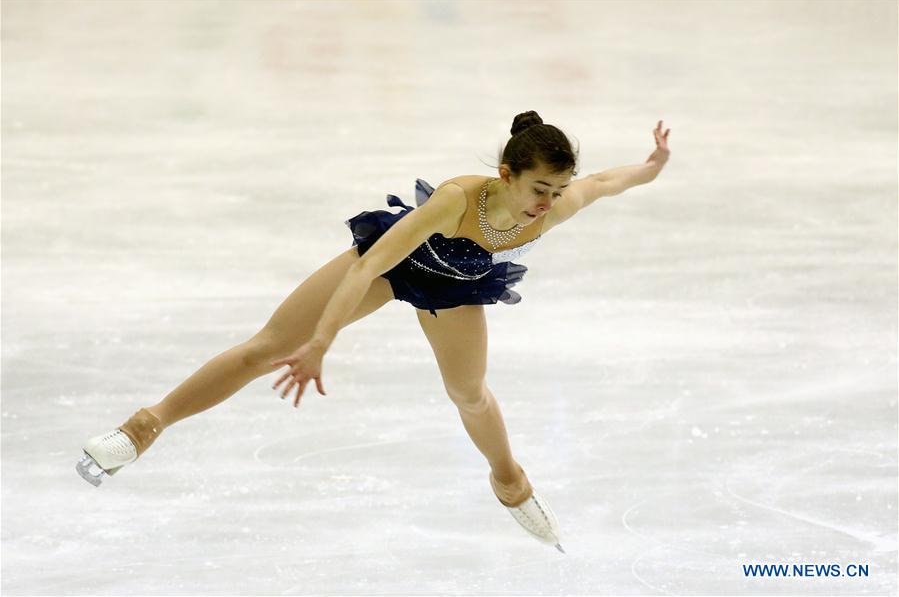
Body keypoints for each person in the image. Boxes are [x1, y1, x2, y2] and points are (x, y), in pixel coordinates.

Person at [77, 111, 671, 552]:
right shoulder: (455, 200)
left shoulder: (559, 203)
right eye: (539, 188)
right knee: (268, 348)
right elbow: (366, 266)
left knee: (469, 394)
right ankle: (144, 426)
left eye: (557, 191)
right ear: (506, 173)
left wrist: (649, 168)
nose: (548, 203)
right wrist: (320, 342)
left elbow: (604, 184)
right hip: (392, 266)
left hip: (454, 287)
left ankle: (509, 479)